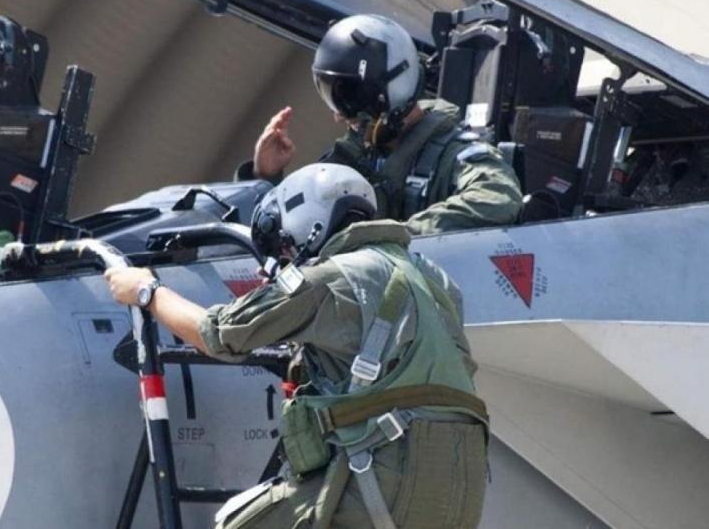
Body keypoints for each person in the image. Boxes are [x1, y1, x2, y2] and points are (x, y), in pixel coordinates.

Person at [105, 163, 488, 528]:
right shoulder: (434, 279)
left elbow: (219, 334)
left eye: (282, 247)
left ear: (306, 223)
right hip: (462, 485)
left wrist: (147, 291)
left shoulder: (328, 279)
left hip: (386, 478)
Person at [235, 14, 522, 236]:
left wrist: (396, 236)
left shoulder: (456, 155)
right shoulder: (354, 158)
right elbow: (292, 229)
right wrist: (265, 176)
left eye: (348, 97)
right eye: (332, 98)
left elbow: (498, 198)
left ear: (392, 89)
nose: (339, 116)